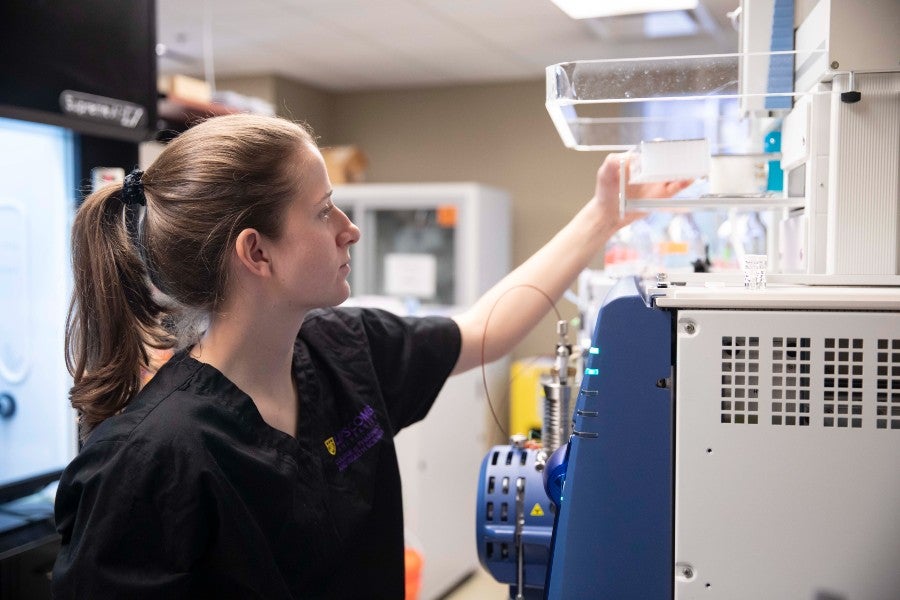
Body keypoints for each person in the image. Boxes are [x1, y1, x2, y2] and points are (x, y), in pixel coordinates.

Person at [52, 113, 689, 599]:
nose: (349, 229)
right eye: (324, 211)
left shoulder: (346, 350)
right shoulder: (146, 463)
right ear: (258, 253)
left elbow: (482, 332)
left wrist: (604, 217)